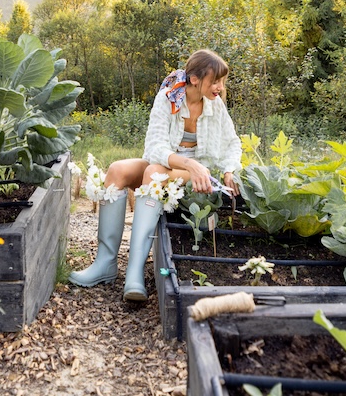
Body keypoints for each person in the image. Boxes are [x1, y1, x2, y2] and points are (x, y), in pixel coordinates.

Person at [69, 49, 242, 301]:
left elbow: (232, 143)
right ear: (195, 79)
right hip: (171, 165)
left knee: (153, 172)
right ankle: (105, 264)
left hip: (196, 175)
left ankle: (135, 272)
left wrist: (229, 170)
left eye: (222, 81)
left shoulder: (217, 107)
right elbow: (154, 148)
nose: (220, 87)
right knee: (117, 169)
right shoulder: (168, 99)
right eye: (215, 81)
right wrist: (186, 163)